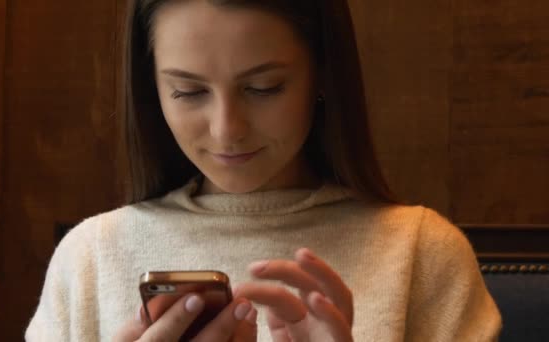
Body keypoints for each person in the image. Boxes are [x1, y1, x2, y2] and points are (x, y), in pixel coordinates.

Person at [25, 0, 502, 340]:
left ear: (321, 74)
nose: (226, 129)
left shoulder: (421, 256)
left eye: (264, 87)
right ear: (152, 89)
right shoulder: (91, 259)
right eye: (189, 92)